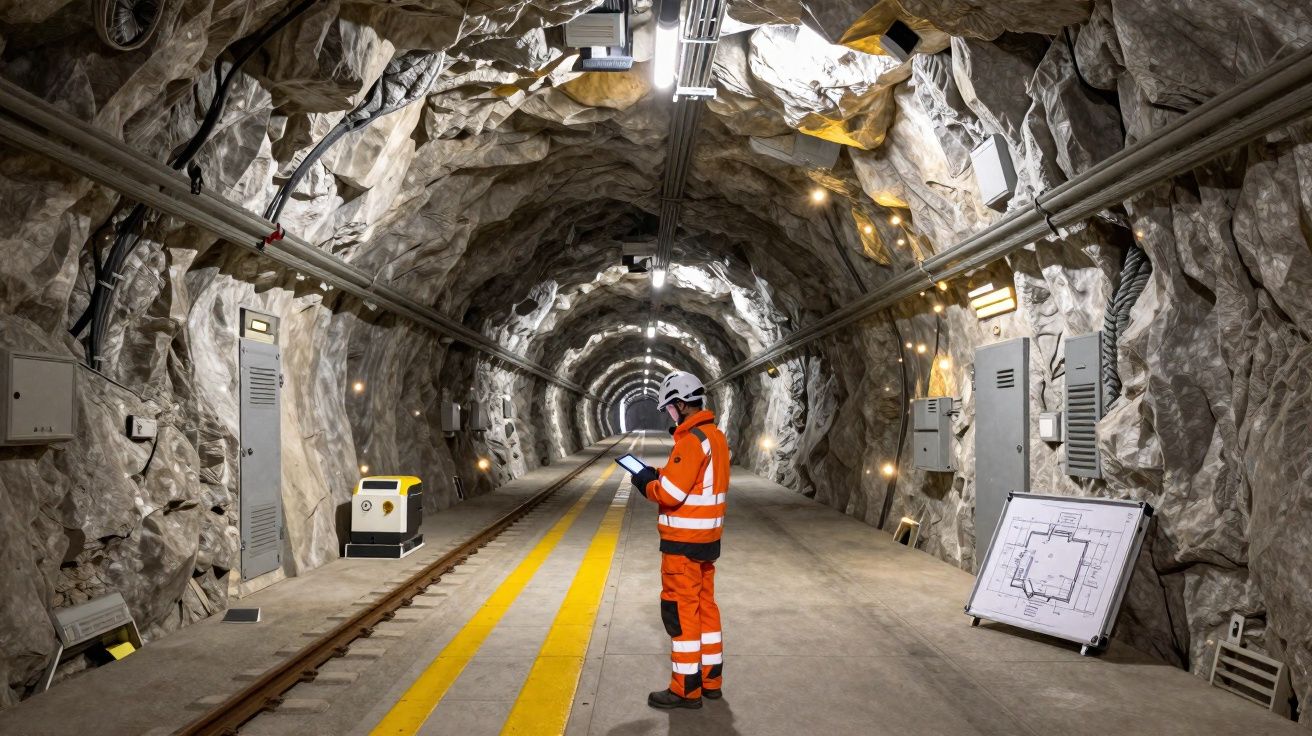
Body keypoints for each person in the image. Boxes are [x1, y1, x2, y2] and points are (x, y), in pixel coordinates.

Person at [630, 370, 730, 710]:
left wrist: (645, 482)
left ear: (683, 405)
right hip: (707, 540)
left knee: (681, 612)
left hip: (682, 543)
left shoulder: (690, 440)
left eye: (671, 408)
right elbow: (693, 482)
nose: (670, 414)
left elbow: (670, 494)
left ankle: (686, 690)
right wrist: (660, 473)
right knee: (706, 609)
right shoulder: (714, 436)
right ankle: (711, 681)